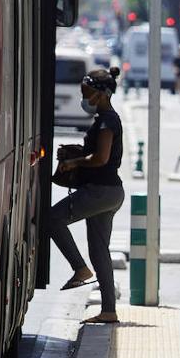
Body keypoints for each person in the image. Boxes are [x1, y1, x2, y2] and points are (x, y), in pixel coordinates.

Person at [49, 67, 126, 325]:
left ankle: (79, 269)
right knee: (99, 251)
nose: (84, 99)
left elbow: (100, 158)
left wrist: (75, 163)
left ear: (101, 94)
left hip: (101, 192)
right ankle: (108, 310)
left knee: (52, 219)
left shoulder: (107, 121)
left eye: (88, 94)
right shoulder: (105, 119)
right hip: (110, 193)